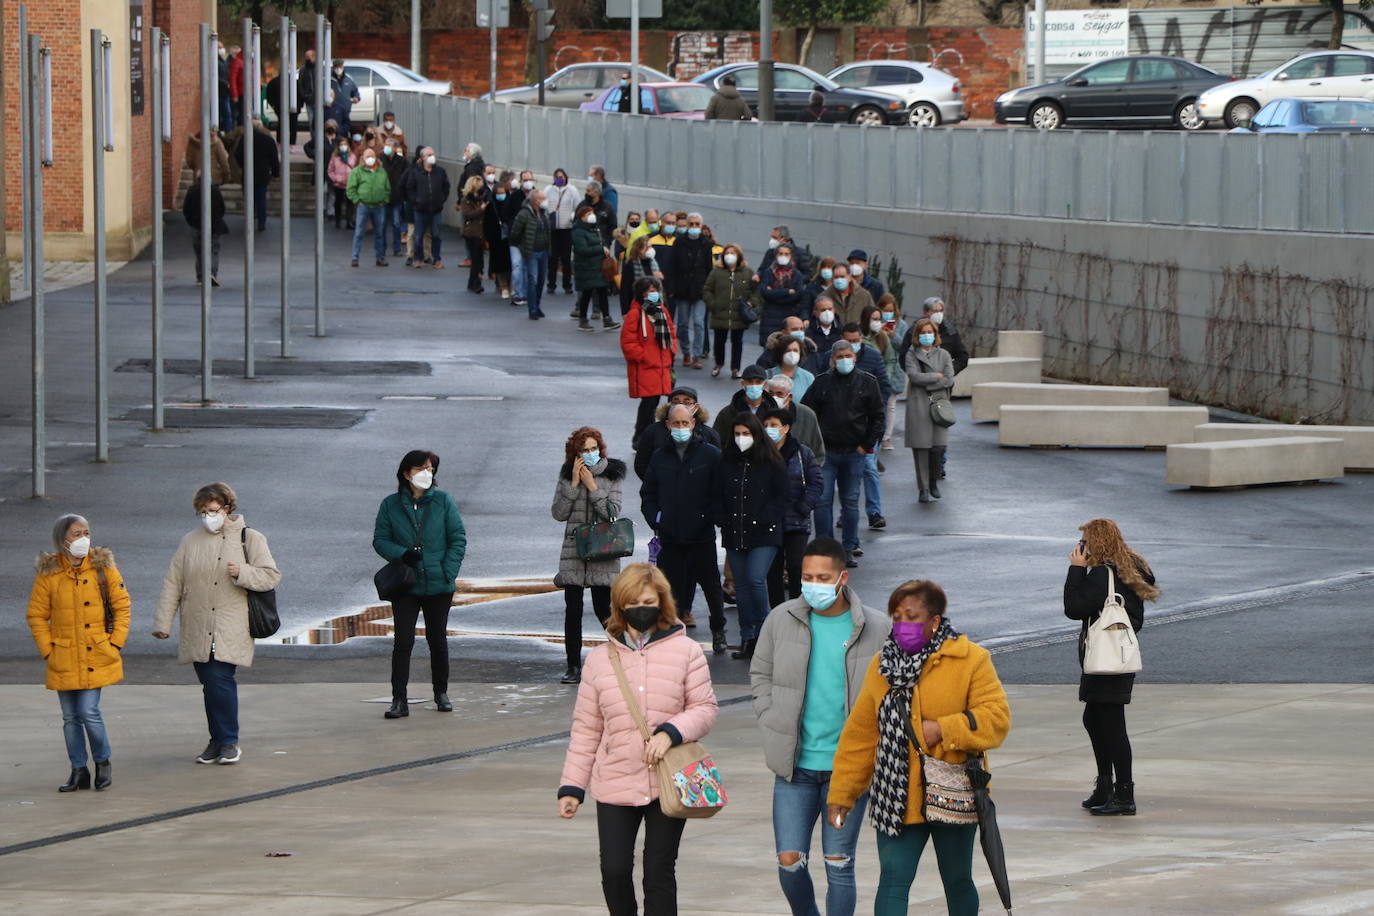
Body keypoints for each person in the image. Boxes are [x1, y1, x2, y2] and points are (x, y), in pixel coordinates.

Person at [828, 580, 1011, 916]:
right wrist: (842, 793)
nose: (902, 626)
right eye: (896, 617)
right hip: (896, 796)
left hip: (952, 791)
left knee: (957, 879)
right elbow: (861, 735)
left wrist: (943, 729)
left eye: (911, 617)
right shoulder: (882, 665)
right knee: (893, 880)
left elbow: (996, 719)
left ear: (935, 621)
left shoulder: (971, 660)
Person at [558, 563, 719, 916]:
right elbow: (586, 728)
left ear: (662, 602)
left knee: (658, 872)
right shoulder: (600, 661)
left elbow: (705, 709)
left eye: (647, 600)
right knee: (614, 871)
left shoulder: (687, 652)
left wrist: (670, 732)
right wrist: (572, 787)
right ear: (619, 606)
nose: (640, 609)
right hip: (615, 778)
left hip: (668, 782)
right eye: (632, 603)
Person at [751, 537, 888, 915]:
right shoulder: (781, 619)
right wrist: (769, 715)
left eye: (823, 577)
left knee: (838, 863)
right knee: (789, 860)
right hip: (795, 768)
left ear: (842, 577)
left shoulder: (877, 627)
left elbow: (894, 689)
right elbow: (760, 673)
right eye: (807, 576)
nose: (813, 583)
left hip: (848, 772)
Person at [153, 483, 281, 766]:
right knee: (209, 684)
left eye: (212, 510)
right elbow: (173, 581)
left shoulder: (251, 538)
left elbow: (271, 576)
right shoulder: (190, 541)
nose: (208, 517)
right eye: (202, 512)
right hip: (197, 623)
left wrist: (243, 572)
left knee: (219, 680)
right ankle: (216, 740)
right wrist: (163, 622)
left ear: (227, 508)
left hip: (230, 624)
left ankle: (228, 741)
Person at [26, 515, 131, 793]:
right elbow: (36, 615)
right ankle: (78, 769)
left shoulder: (103, 568)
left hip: (96, 653)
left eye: (86, 532)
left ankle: (102, 761)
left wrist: (115, 643)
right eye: (76, 534)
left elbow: (123, 607)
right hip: (63, 656)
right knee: (70, 718)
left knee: (88, 711)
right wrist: (48, 650)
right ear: (63, 540)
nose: (83, 538)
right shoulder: (49, 574)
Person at [1065, 518, 1158, 817]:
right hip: (1117, 656)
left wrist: (1076, 569)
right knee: (1094, 718)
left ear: (1097, 542)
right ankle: (1106, 785)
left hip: (1106, 659)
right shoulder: (1131, 568)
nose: (1082, 547)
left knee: (1112, 725)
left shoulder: (1102, 575)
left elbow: (1073, 608)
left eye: (1086, 542)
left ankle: (1124, 794)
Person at [371, 451, 467, 720]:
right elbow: (380, 540)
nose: (427, 473)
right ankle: (399, 699)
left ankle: (441, 693)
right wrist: (401, 553)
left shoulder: (443, 501)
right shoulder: (390, 505)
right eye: (421, 468)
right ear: (406, 473)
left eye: (431, 468)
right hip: (406, 584)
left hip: (439, 583)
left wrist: (448, 572)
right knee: (403, 641)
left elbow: (457, 538)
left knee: (437, 639)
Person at [640, 403, 727, 650]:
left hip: (701, 536)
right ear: (667, 425)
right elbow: (648, 493)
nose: (680, 428)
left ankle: (718, 629)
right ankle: (672, 633)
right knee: (671, 590)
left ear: (693, 424)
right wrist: (656, 519)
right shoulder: (659, 456)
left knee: (711, 586)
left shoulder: (710, 455)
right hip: (670, 537)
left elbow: (719, 492)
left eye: (685, 423)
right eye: (675, 423)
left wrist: (710, 517)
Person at [552, 427, 627, 684]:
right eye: (584, 450)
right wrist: (573, 483)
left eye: (594, 449)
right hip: (574, 550)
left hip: (602, 549)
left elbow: (612, 513)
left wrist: (592, 486)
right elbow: (559, 513)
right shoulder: (566, 475)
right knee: (572, 610)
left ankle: (624, 657)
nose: (590, 454)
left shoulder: (613, 475)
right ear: (575, 453)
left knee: (603, 608)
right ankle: (573, 665)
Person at [802, 341, 884, 568]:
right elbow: (807, 414)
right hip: (826, 453)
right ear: (832, 360)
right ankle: (825, 549)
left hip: (854, 452)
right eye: (840, 357)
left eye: (848, 355)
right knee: (822, 501)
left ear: (855, 357)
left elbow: (878, 417)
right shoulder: (822, 383)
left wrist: (866, 445)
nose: (844, 360)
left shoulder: (868, 383)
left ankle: (848, 548)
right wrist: (813, 446)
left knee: (850, 502)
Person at [714, 412, 788, 661]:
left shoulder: (771, 461)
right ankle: (748, 636)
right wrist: (721, 518)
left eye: (746, 433)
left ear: (756, 434)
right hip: (735, 533)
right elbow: (717, 494)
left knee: (756, 579)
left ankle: (765, 635)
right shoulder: (726, 461)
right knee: (742, 586)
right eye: (737, 434)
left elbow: (782, 497)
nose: (741, 438)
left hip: (764, 533)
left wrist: (763, 518)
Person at [760, 411, 823, 610]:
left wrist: (805, 506)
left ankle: (798, 608)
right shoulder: (759, 454)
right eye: (767, 424)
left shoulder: (802, 453)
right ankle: (777, 611)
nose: (770, 428)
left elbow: (816, 482)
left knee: (796, 567)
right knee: (773, 570)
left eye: (774, 424)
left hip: (796, 520)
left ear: (786, 428)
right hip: (769, 521)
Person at [841, 323, 893, 532]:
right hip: (842, 430)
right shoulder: (834, 358)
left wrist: (875, 421)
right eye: (849, 341)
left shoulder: (872, 357)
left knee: (869, 469)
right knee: (844, 473)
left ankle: (874, 512)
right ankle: (845, 512)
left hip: (867, 429)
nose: (853, 345)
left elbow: (885, 387)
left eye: (856, 340)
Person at [621, 278, 679, 443]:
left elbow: (672, 333)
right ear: (641, 293)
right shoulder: (635, 314)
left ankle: (645, 436)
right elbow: (628, 341)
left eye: (655, 289)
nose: (653, 293)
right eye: (649, 290)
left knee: (653, 403)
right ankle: (641, 436)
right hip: (646, 366)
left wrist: (672, 351)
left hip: (662, 365)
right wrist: (642, 356)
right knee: (649, 403)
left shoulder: (662, 311)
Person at [904, 317, 954, 504]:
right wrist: (935, 376)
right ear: (917, 335)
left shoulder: (944, 355)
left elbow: (949, 379)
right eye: (923, 333)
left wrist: (930, 380)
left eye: (930, 332)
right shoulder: (911, 354)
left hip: (939, 404)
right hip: (919, 405)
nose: (927, 336)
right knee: (921, 448)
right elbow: (914, 376)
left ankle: (933, 480)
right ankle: (923, 487)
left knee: (938, 447)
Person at [633, 385, 722, 479]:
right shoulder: (653, 431)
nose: (681, 406)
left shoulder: (709, 434)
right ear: (669, 405)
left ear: (696, 407)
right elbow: (641, 464)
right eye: (675, 402)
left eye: (686, 402)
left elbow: (717, 467)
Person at [704, 243, 757, 377]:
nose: (729, 256)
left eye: (733, 253)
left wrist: (752, 302)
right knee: (719, 341)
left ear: (739, 256)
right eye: (727, 253)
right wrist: (712, 304)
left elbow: (756, 291)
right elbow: (707, 289)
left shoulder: (747, 272)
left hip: (739, 314)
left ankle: (735, 368)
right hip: (720, 313)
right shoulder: (716, 272)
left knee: (737, 342)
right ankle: (718, 364)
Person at [669, 212, 715, 369]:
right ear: (687, 225)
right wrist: (672, 288)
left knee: (698, 323)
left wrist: (709, 289)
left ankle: (696, 355)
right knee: (682, 324)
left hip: (700, 289)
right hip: (682, 289)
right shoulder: (679, 242)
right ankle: (686, 352)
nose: (694, 227)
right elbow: (673, 267)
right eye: (691, 224)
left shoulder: (706, 244)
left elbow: (709, 268)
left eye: (697, 224)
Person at [399, 147, 448, 269]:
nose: (432, 156)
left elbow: (446, 187)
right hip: (420, 210)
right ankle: (418, 258)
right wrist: (416, 201)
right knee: (418, 235)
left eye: (433, 154)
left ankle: (437, 259)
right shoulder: (416, 172)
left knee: (436, 235)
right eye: (429, 154)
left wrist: (441, 200)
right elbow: (409, 188)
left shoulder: (440, 172)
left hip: (436, 209)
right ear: (422, 158)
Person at [572, 204, 620, 331]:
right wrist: (600, 249)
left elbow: (602, 241)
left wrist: (605, 248)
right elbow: (581, 249)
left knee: (602, 292)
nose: (592, 216)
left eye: (592, 213)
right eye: (588, 214)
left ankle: (607, 319)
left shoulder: (595, 229)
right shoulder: (578, 231)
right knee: (587, 292)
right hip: (586, 267)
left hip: (598, 266)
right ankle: (583, 319)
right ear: (582, 217)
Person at [763, 374, 826, 464]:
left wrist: (809, 472)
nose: (774, 397)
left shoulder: (807, 415)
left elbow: (818, 452)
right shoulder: (762, 414)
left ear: (789, 397)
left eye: (779, 394)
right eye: (771, 393)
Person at [900, 297, 969, 377]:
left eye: (941, 311)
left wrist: (948, 371)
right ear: (926, 312)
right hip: (919, 381)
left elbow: (962, 357)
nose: (939, 314)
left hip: (943, 381)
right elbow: (903, 356)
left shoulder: (950, 332)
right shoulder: (913, 331)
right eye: (935, 311)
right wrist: (916, 373)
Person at [347, 145, 391, 268]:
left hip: (378, 206)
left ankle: (380, 257)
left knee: (379, 233)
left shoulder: (382, 171)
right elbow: (350, 189)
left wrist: (384, 200)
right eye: (368, 156)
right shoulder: (357, 171)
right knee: (359, 232)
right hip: (363, 206)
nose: (370, 158)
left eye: (372, 156)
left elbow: (387, 188)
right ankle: (355, 257)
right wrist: (357, 201)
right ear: (363, 158)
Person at [510, 188, 552, 319]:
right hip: (531, 251)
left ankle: (537, 305)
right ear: (535, 201)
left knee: (541, 280)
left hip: (543, 250)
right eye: (543, 199)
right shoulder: (524, 214)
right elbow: (515, 232)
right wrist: (523, 246)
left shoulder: (544, 213)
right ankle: (532, 308)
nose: (545, 201)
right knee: (532, 280)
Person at [182, 173, 228, 287]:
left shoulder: (192, 190)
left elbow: (186, 209)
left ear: (197, 179)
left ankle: (201, 276)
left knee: (199, 252)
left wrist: (191, 222)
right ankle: (212, 273)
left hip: (197, 225)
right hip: (214, 226)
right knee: (213, 250)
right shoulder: (215, 191)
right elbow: (222, 208)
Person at [758, 243, 805, 346]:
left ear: (791, 256)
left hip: (788, 316)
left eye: (786, 254)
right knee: (769, 349)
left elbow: (798, 294)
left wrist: (774, 293)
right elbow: (765, 292)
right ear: (776, 255)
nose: (783, 256)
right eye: (780, 253)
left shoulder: (796, 274)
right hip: (769, 318)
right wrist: (787, 292)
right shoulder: (768, 272)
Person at [544, 168, 579, 295]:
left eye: (562, 176)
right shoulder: (549, 190)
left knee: (565, 258)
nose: (560, 179)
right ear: (554, 178)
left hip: (566, 228)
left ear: (566, 177)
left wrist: (572, 216)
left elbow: (577, 206)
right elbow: (543, 204)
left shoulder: (572, 190)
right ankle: (551, 284)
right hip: (553, 228)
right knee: (552, 257)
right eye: (558, 177)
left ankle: (567, 285)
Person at [713, 363, 771, 438]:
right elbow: (717, 439)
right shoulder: (727, 413)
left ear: (765, 384)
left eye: (758, 382)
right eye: (750, 382)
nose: (754, 385)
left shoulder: (772, 411)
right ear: (743, 384)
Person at [485, 170, 515, 299]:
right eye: (499, 194)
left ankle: (511, 286)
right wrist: (488, 238)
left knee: (511, 264)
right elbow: (487, 224)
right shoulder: (491, 207)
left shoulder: (510, 203)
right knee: (499, 265)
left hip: (508, 238)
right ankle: (503, 286)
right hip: (496, 239)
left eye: (503, 193)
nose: (502, 196)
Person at [619, 235, 664, 321]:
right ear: (639, 250)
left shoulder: (653, 262)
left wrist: (660, 278)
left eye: (651, 246)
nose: (650, 250)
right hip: (638, 305)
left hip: (655, 304)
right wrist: (625, 311)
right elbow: (625, 289)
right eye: (647, 247)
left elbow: (659, 287)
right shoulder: (631, 264)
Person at [458, 176, 489, 293]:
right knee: (476, 259)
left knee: (479, 259)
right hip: (472, 232)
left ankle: (473, 281)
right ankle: (475, 282)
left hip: (480, 232)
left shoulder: (480, 198)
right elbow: (467, 214)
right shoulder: (467, 199)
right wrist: (481, 209)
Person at [767, 333, 817, 403]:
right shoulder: (767, 375)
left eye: (795, 350)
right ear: (780, 353)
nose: (792, 354)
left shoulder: (808, 377)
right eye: (788, 350)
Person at [381, 140, 410, 260]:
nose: (386, 147)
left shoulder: (402, 161)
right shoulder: (380, 159)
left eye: (389, 145)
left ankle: (397, 248)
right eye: (385, 145)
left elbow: (407, 176)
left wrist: (403, 192)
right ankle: (381, 248)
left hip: (396, 197)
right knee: (382, 224)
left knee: (396, 224)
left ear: (395, 148)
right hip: (382, 197)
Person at [264, 64, 298, 150]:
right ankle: (291, 144)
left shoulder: (274, 82)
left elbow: (269, 95)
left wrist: (274, 105)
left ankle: (280, 142)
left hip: (280, 107)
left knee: (281, 124)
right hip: (291, 106)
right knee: (293, 125)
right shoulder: (294, 82)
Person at [327, 59, 361, 137]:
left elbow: (355, 92)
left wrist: (356, 98)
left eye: (340, 67)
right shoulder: (328, 80)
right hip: (333, 110)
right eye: (336, 67)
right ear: (333, 67)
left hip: (345, 109)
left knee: (344, 129)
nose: (338, 69)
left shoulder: (348, 80)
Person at [328, 138, 356, 230]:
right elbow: (330, 170)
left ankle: (349, 221)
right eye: (341, 144)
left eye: (345, 144)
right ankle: (338, 220)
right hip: (338, 184)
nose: (343, 146)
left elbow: (356, 169)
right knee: (338, 202)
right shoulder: (335, 157)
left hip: (349, 184)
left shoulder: (352, 156)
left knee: (350, 204)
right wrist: (336, 179)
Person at [581, 180, 617, 247]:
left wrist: (607, 242)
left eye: (588, 191)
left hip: (602, 246)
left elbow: (613, 226)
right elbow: (576, 223)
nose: (586, 193)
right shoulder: (582, 205)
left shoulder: (607, 207)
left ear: (596, 192)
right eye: (586, 190)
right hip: (584, 245)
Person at [807, 295, 844, 360]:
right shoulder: (808, 333)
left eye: (830, 309)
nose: (827, 313)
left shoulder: (841, 330)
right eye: (823, 310)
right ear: (815, 313)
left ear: (834, 310)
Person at [800, 257, 836, 323]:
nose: (826, 270)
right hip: (816, 323)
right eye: (824, 267)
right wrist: (805, 319)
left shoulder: (837, 287)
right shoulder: (812, 286)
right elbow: (805, 306)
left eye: (829, 267)